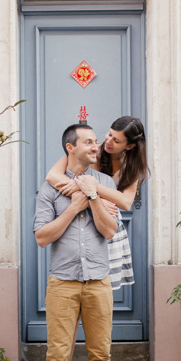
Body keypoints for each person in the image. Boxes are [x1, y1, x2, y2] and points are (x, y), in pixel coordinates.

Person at [33, 123, 132, 361]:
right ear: (70, 148)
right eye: (88, 142)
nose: (97, 146)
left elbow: (108, 230)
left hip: (98, 282)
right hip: (62, 282)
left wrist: (90, 197)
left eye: (96, 142)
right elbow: (42, 237)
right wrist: (73, 207)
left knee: (101, 354)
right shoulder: (49, 190)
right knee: (58, 355)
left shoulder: (104, 184)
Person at [45, 116, 150, 290]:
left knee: (100, 286)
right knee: (77, 278)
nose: (108, 141)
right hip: (84, 220)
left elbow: (125, 202)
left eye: (116, 140)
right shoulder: (93, 150)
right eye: (109, 134)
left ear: (129, 146)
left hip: (107, 223)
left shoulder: (133, 166)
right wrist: (91, 194)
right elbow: (52, 176)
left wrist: (93, 189)